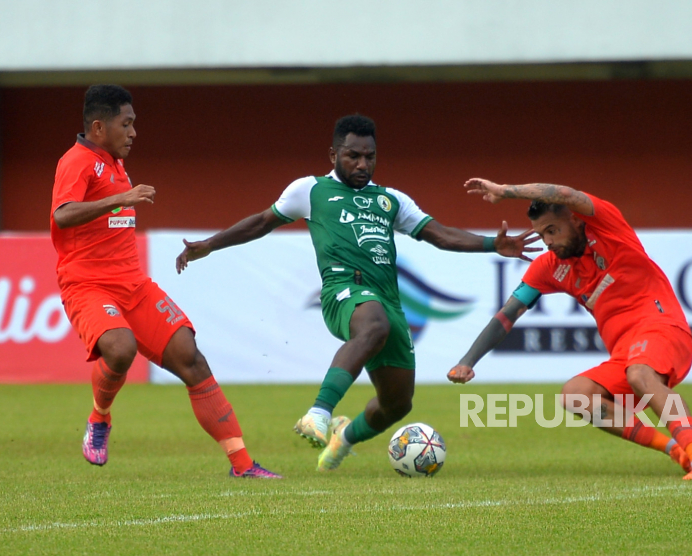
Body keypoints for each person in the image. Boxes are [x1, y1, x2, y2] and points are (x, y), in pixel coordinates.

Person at [176, 114, 541, 471]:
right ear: (333, 155)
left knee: (398, 404)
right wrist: (209, 244)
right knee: (374, 325)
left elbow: (441, 235)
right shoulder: (311, 190)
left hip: (388, 300)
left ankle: (344, 437)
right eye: (353, 155)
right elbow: (260, 222)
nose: (362, 163)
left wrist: (493, 243)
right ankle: (318, 413)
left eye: (370, 156)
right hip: (343, 291)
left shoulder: (391, 201)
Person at [50, 84, 281, 479]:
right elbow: (63, 214)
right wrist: (120, 200)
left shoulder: (114, 162)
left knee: (191, 357)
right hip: (88, 286)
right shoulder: (77, 161)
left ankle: (243, 466)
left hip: (134, 286)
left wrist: (121, 197)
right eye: (127, 123)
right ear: (98, 126)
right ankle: (99, 418)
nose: (134, 132)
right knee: (120, 349)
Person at [447, 177, 692, 480]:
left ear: (576, 220)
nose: (548, 242)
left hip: (663, 329)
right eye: (542, 235)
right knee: (575, 395)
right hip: (626, 352)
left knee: (640, 374)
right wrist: (467, 361)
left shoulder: (607, 226)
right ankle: (675, 450)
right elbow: (507, 315)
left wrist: (506, 192)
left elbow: (565, 193)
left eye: (552, 230)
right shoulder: (550, 266)